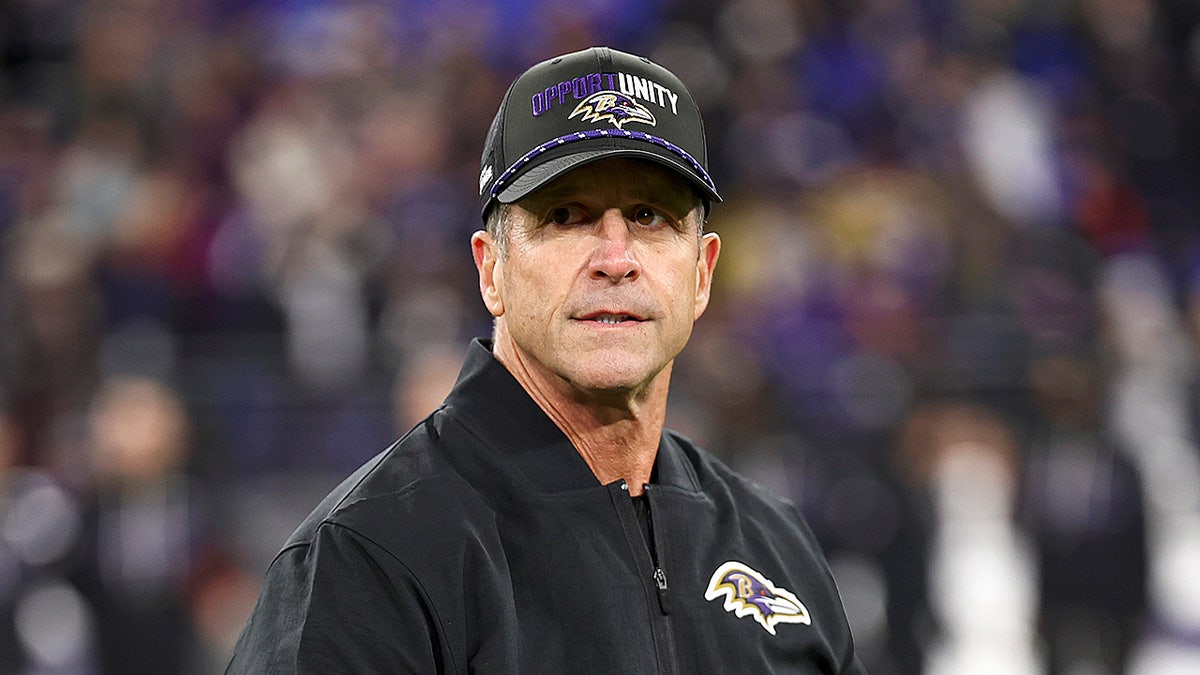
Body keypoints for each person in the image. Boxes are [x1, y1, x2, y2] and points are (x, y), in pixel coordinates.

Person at [228, 46, 863, 673]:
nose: (616, 259)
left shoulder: (775, 545)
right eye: (565, 216)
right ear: (490, 270)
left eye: (650, 216)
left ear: (702, 274)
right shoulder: (373, 555)